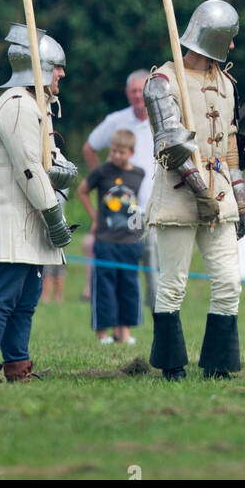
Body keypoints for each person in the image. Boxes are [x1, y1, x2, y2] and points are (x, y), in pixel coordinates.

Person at [145, 0, 245, 381]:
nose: (233, 48)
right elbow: (170, 144)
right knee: (173, 284)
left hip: (220, 195)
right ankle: (172, 367)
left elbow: (231, 147)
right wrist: (199, 193)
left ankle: (218, 366)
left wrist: (239, 198)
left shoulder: (227, 82)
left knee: (228, 283)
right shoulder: (163, 81)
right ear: (216, 38)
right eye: (230, 40)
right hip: (178, 192)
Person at [0, 24, 75, 381]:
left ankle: (17, 365)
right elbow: (28, 170)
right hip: (10, 221)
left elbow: (46, 165)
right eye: (56, 66)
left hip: (30, 224)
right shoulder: (17, 106)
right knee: (0, 301)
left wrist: (63, 173)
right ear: (39, 67)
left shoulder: (36, 107)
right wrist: (55, 218)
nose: (62, 73)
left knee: (25, 302)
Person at [83, 71, 157, 310]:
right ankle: (120, 320)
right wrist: (103, 181)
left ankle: (159, 317)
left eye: (141, 90)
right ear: (127, 93)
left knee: (155, 269)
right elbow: (90, 147)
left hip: (155, 208)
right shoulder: (117, 120)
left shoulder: (162, 120)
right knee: (123, 269)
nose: (138, 95)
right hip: (122, 212)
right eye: (133, 91)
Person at [78, 128, 146, 344]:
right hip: (106, 241)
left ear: (131, 152)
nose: (116, 155)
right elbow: (82, 190)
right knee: (104, 288)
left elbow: (140, 204)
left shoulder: (139, 174)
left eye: (121, 152)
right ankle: (102, 333)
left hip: (130, 241)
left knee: (128, 288)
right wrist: (95, 217)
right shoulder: (102, 172)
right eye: (114, 151)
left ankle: (123, 333)